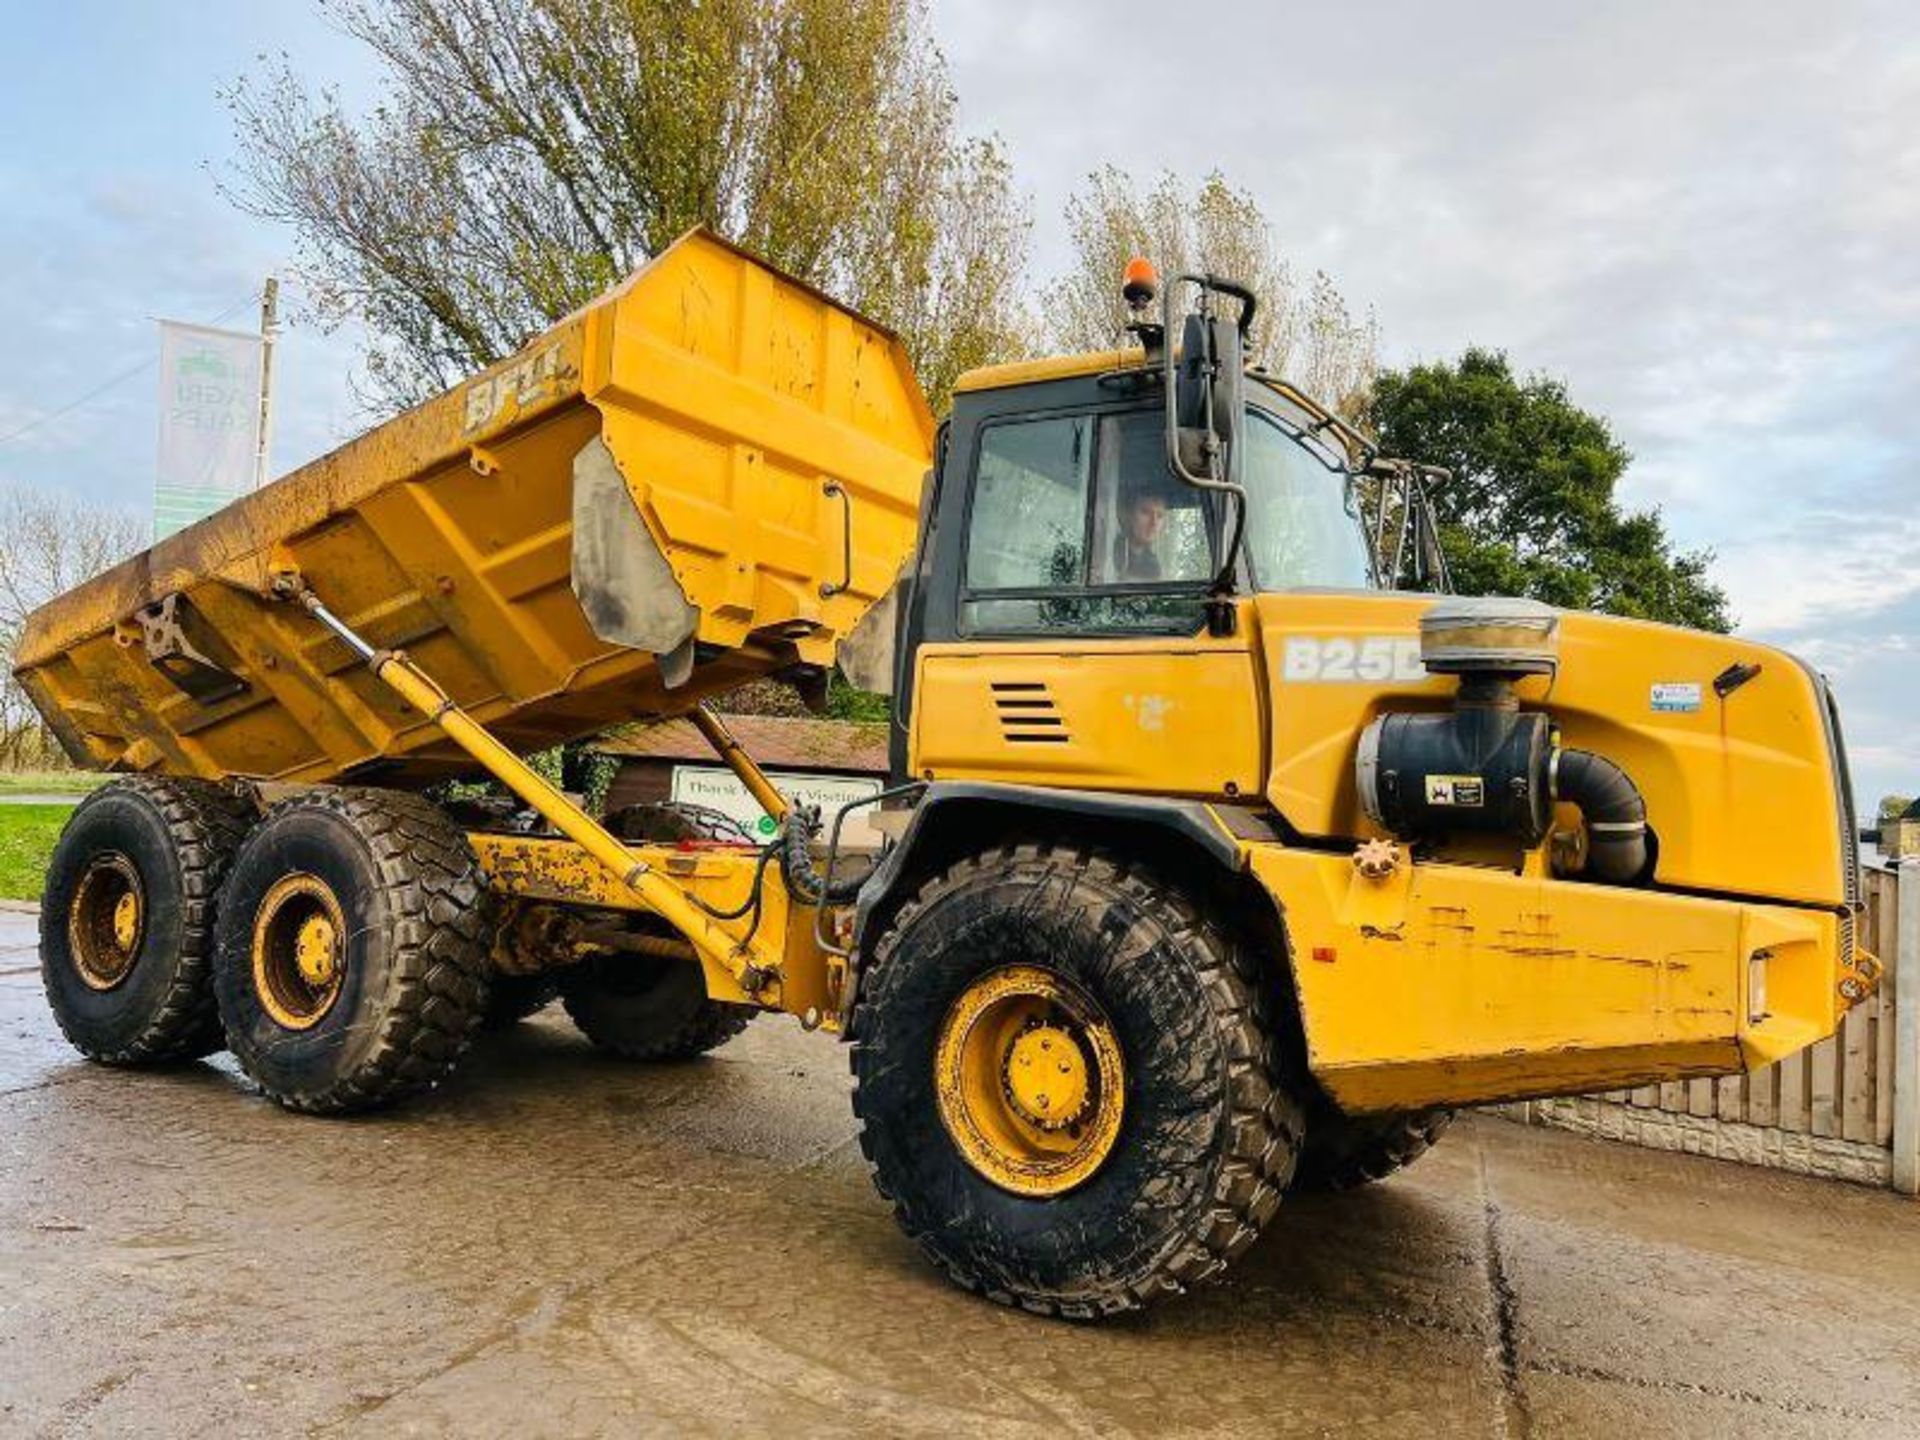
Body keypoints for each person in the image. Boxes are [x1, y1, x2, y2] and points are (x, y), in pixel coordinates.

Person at [1112, 485, 1168, 580]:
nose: (1154, 523)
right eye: (1145, 512)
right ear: (1127, 515)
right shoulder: (1109, 554)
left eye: (1159, 516)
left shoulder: (1153, 567)